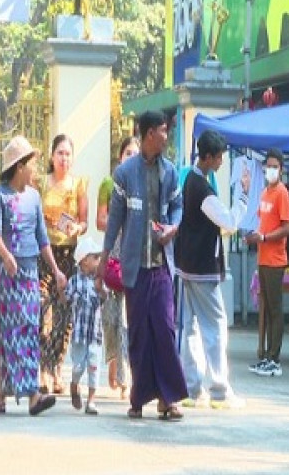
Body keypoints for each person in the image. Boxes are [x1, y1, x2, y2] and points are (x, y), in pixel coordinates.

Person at [98, 110, 188, 420]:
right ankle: (138, 397)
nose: (166, 135)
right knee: (138, 334)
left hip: (161, 265)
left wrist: (173, 228)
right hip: (134, 268)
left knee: (164, 328)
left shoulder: (171, 172)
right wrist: (104, 258)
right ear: (149, 134)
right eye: (163, 130)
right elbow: (114, 221)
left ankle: (169, 398)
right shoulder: (125, 174)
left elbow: (178, 207)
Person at [0, 135, 64, 416]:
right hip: (7, 276)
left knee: (28, 330)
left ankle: (31, 393)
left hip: (30, 271)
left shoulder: (33, 197)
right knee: (7, 332)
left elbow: (42, 238)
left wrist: (55, 271)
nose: (36, 168)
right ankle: (6, 393)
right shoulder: (0, 195)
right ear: (19, 166)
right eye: (32, 163)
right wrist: (7, 256)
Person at [176, 130, 250, 409]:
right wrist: (243, 197)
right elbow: (228, 222)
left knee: (191, 328)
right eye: (218, 157)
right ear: (206, 157)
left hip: (187, 267)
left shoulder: (192, 182)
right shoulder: (202, 189)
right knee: (215, 326)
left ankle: (191, 388)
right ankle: (219, 389)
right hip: (202, 269)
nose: (221, 162)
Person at [38, 133, 88, 394]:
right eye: (60, 153)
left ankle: (58, 369)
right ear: (51, 155)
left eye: (68, 154)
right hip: (45, 255)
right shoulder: (41, 184)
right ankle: (42, 370)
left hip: (68, 256)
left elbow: (84, 220)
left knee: (64, 316)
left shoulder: (78, 185)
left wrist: (77, 228)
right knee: (43, 310)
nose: (64, 158)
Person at [96, 137, 140, 399]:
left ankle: (126, 378)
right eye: (128, 152)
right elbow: (101, 221)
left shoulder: (142, 185)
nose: (132, 156)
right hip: (113, 251)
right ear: (120, 156)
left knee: (127, 318)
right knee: (111, 316)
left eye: (136, 153)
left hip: (133, 252)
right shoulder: (108, 184)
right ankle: (113, 363)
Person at [244, 148, 289, 377]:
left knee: (274, 309)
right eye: (268, 166)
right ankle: (264, 356)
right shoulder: (265, 193)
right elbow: (263, 222)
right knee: (265, 308)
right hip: (263, 257)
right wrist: (254, 235)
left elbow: (287, 227)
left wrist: (263, 238)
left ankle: (275, 358)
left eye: (275, 166)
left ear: (281, 169)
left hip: (275, 260)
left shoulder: (282, 193)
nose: (270, 170)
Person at [66, 236, 104, 415]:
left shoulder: (99, 281)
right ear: (84, 260)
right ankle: (74, 385)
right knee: (78, 367)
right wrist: (62, 290)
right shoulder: (74, 281)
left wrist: (101, 290)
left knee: (94, 367)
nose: (98, 261)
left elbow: (105, 298)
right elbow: (65, 298)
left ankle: (91, 401)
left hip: (95, 333)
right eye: (95, 257)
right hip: (80, 334)